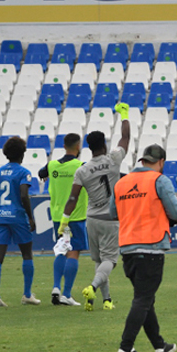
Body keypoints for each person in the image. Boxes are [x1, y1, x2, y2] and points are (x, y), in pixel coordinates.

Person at [110, 144, 177, 352]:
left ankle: (160, 346)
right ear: (161, 162)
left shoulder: (122, 183)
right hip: (151, 245)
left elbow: (113, 213)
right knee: (142, 299)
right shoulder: (159, 180)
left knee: (145, 297)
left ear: (143, 160)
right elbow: (176, 211)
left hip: (128, 248)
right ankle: (125, 349)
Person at [61, 102, 130, 311]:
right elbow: (125, 138)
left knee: (99, 261)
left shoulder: (82, 170)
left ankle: (105, 300)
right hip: (111, 218)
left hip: (91, 219)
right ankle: (92, 287)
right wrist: (124, 115)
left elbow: (73, 198)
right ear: (104, 146)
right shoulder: (114, 159)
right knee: (110, 261)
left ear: (89, 148)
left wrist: (65, 219)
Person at [0, 137, 40, 307]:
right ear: (22, 154)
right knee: (27, 254)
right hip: (18, 217)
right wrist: (31, 217)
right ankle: (27, 295)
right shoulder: (23, 172)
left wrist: (2, 209)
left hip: (0, 217)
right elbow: (24, 195)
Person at [39, 133, 87, 306]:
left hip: (58, 216)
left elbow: (41, 173)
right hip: (75, 216)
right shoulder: (81, 166)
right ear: (78, 146)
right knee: (73, 252)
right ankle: (66, 294)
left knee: (61, 250)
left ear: (64, 146)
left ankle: (56, 287)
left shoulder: (52, 165)